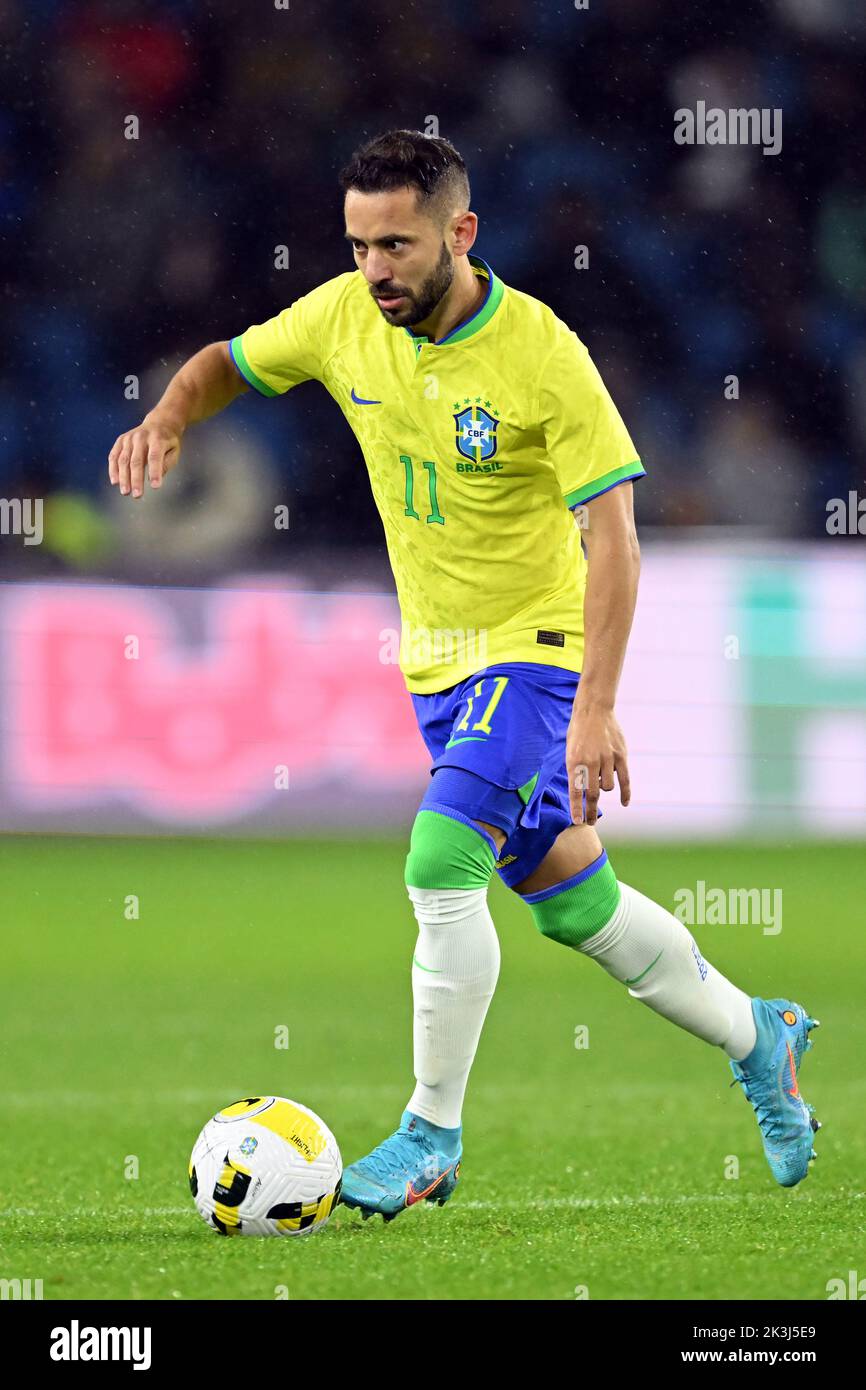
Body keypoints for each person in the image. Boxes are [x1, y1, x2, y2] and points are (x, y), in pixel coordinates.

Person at [108, 129, 820, 1220]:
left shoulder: (539, 351)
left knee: (439, 857)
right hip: (436, 670)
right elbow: (224, 365)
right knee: (578, 905)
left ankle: (428, 1130)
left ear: (459, 231)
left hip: (533, 656)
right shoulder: (343, 317)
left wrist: (595, 707)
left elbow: (615, 537)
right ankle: (756, 1036)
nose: (373, 269)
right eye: (355, 246)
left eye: (395, 244)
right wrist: (167, 415)